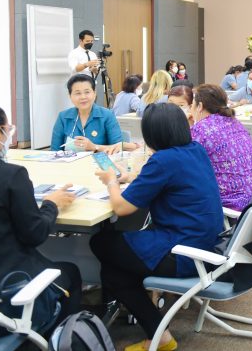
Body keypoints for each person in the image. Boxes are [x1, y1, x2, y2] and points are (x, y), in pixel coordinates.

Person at [91, 103, 223, 351]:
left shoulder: (163, 160)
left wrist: (111, 182)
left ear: (153, 134)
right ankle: (160, 336)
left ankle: (157, 333)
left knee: (101, 242)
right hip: (207, 245)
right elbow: (171, 180)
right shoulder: (195, 150)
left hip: (183, 252)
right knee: (113, 273)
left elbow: (121, 208)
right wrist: (132, 178)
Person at [0, 103, 82, 326]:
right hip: (8, 293)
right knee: (71, 272)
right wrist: (51, 204)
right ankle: (58, 337)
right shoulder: (10, 176)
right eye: (8, 129)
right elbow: (35, 234)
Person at [190, 85, 252, 211]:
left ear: (200, 106)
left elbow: (186, 167)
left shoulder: (200, 130)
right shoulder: (234, 122)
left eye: (192, 104)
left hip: (235, 203)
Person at [51, 75, 123, 153]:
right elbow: (54, 151)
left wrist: (94, 147)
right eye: (78, 93)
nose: (83, 97)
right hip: (70, 161)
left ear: (94, 93)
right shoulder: (63, 117)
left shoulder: (107, 115)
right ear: (70, 96)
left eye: (87, 92)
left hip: (98, 160)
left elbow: (118, 148)